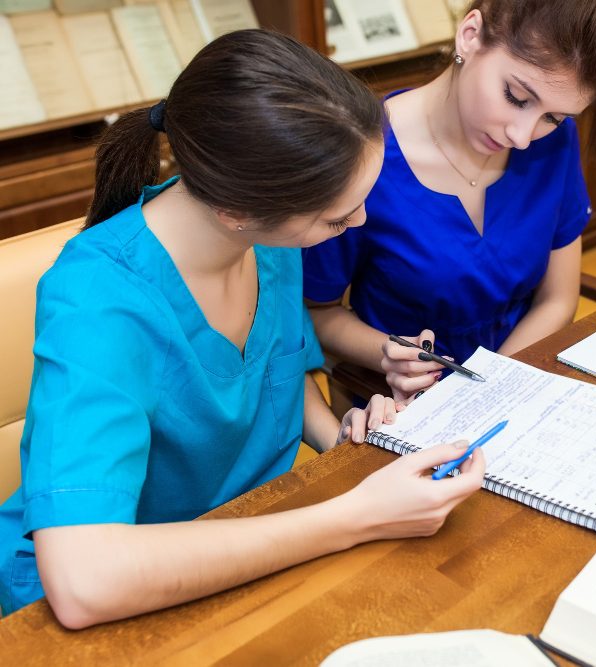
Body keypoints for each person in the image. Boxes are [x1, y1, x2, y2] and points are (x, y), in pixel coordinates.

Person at [0, 30, 485, 627]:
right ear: (236, 211)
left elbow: (281, 367)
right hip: (109, 602)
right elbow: (85, 582)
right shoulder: (99, 298)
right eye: (336, 220)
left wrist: (343, 437)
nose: (358, 223)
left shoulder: (267, 237)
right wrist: (354, 515)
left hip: (249, 547)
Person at [302, 0, 596, 403]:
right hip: (395, 405)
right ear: (470, 35)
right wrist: (387, 354)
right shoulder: (364, 158)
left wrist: (492, 386)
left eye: (553, 117)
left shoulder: (555, 144)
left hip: (516, 385)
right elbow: (316, 311)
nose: (523, 136)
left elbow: (557, 298)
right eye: (516, 96)